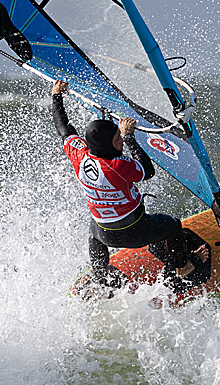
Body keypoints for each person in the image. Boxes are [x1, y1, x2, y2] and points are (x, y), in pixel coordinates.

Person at [51, 79, 211, 294]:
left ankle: (100, 274)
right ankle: (183, 267)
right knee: (173, 226)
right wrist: (130, 137)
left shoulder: (79, 155)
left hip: (104, 234)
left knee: (94, 227)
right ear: (110, 145)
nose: (121, 141)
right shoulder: (119, 166)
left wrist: (56, 97)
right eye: (118, 139)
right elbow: (148, 171)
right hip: (134, 231)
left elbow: (64, 129)